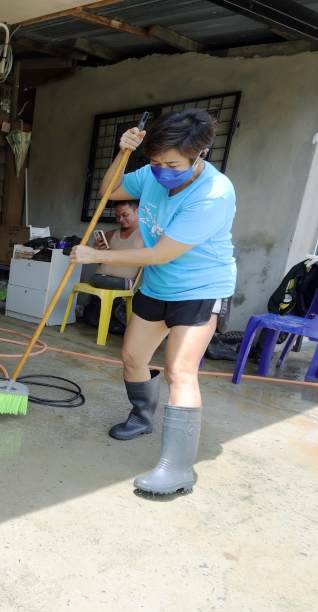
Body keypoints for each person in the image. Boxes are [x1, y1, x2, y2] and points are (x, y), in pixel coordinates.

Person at [73, 109, 236, 496]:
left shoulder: (214, 194)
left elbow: (163, 252)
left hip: (199, 287)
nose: (163, 171)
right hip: (158, 285)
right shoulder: (152, 173)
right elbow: (110, 192)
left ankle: (177, 469)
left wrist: (99, 257)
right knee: (132, 357)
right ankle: (142, 416)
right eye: (156, 162)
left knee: (180, 370)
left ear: (201, 154)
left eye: (173, 164)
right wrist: (124, 153)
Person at [82, 200, 143, 334]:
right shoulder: (110, 235)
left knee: (97, 279)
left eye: (125, 215)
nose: (120, 219)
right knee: (96, 278)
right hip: (102, 278)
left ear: (137, 212)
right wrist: (97, 252)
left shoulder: (145, 236)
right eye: (117, 216)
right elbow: (101, 263)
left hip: (127, 283)